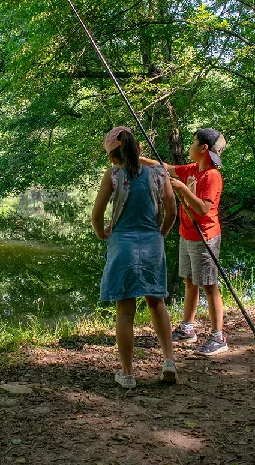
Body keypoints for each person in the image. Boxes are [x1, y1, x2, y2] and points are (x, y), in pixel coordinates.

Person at [92, 126, 178, 388]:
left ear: (112, 156)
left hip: (123, 246)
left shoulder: (114, 175)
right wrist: (161, 232)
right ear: (138, 148)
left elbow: (97, 213)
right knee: (157, 303)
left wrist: (101, 233)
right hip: (152, 243)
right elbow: (172, 210)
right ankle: (169, 362)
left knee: (125, 312)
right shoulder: (158, 173)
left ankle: (128, 374)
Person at [140, 128, 228, 356]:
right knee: (190, 282)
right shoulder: (192, 170)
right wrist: (134, 157)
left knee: (209, 285)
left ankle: (218, 336)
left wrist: (180, 188)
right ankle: (187, 328)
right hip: (187, 234)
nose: (189, 146)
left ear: (204, 149)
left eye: (193, 142)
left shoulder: (212, 176)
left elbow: (204, 207)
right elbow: (165, 167)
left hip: (205, 237)